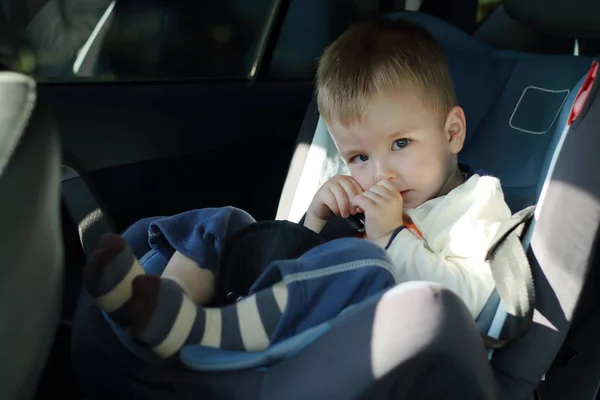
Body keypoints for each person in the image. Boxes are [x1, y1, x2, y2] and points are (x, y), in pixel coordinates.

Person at [82, 17, 512, 360]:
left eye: (401, 144)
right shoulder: (364, 200)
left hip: (360, 334)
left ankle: (199, 331)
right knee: (226, 222)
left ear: (452, 133)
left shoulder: (473, 205)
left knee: (357, 263)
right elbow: (297, 261)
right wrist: (314, 221)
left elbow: (471, 302)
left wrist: (390, 238)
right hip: (283, 305)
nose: (381, 175)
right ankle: (166, 309)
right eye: (360, 157)